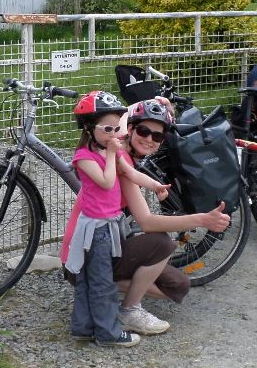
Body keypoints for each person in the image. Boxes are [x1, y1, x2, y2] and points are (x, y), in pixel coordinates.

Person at [63, 96, 233, 340]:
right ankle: (125, 311)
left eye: (158, 136)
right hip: (87, 251)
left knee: (178, 285)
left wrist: (162, 105)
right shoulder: (115, 159)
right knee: (162, 242)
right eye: (143, 131)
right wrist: (202, 220)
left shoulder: (123, 156)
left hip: (103, 242)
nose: (149, 139)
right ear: (129, 129)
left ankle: (101, 295)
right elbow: (147, 222)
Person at [63, 90, 145, 348]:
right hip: (95, 231)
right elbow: (108, 182)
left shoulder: (112, 151)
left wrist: (157, 186)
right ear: (89, 129)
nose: (114, 135)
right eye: (107, 129)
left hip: (107, 227)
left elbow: (131, 174)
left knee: (92, 280)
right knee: (101, 283)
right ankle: (107, 333)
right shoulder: (84, 158)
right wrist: (111, 154)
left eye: (116, 128)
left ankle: (84, 328)